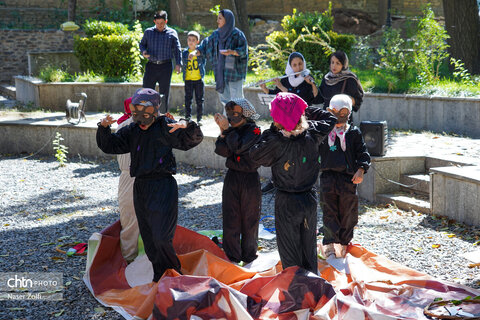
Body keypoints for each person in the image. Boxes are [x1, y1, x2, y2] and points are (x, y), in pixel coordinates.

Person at [96, 88, 203, 282]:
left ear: (155, 111)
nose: (141, 121)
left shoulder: (166, 126)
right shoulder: (132, 130)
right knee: (149, 238)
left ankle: (174, 276)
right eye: (136, 114)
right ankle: (159, 277)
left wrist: (188, 126)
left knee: (162, 236)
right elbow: (111, 145)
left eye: (145, 114)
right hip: (141, 187)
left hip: (163, 186)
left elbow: (191, 140)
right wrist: (103, 128)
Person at [249, 92, 337, 274]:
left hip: (287, 201)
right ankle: (313, 288)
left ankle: (295, 290)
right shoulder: (312, 132)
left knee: (290, 252)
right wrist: (301, 108)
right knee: (308, 248)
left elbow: (255, 154)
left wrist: (274, 130)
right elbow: (330, 118)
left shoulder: (274, 140)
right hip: (308, 199)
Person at [259, 52, 320, 193]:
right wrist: (266, 89)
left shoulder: (307, 78)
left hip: (301, 122)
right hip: (285, 122)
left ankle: (302, 181)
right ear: (290, 66)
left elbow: (304, 99)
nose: (298, 67)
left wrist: (312, 85)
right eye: (294, 65)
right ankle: (275, 180)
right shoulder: (286, 79)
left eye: (300, 64)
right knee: (279, 150)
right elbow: (279, 97)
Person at [319, 94, 370, 259]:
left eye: (344, 113)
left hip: (348, 179)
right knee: (329, 211)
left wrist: (361, 169)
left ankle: (343, 242)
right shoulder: (323, 132)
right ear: (329, 112)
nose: (340, 118)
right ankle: (329, 242)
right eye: (335, 113)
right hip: (327, 177)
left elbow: (363, 153)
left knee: (348, 213)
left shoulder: (353, 133)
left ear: (348, 114)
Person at [214, 98, 262, 265]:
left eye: (235, 114)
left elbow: (239, 147)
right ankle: (232, 256)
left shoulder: (254, 130)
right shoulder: (229, 131)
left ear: (245, 114)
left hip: (249, 178)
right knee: (230, 216)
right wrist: (224, 131)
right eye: (229, 114)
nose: (231, 117)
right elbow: (221, 150)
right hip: (232, 176)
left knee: (250, 218)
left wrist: (227, 132)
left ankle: (249, 256)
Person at [189, 9, 248, 105]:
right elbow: (204, 46)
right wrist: (194, 52)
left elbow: (243, 51)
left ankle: (240, 119)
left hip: (234, 74)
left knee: (238, 101)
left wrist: (232, 52)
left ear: (227, 20)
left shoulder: (237, 34)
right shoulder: (216, 34)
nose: (217, 21)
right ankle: (227, 119)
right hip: (221, 74)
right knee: (226, 102)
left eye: (220, 18)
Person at [139, 10, 182, 113]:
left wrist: (178, 64)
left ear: (166, 21)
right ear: (154, 21)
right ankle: (147, 114)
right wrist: (144, 51)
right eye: (157, 23)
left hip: (165, 66)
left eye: (162, 23)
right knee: (147, 92)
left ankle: (162, 116)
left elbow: (177, 49)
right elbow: (142, 44)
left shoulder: (172, 33)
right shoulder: (148, 32)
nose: (159, 25)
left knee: (164, 94)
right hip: (151, 66)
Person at [116, 97, 139, 263]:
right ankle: (130, 259)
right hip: (131, 177)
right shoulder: (126, 126)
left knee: (133, 219)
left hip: (136, 177)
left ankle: (137, 259)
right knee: (130, 221)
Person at [317, 50, 364, 124]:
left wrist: (346, 100)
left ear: (343, 65)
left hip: (342, 120)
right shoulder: (327, 79)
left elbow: (358, 99)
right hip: (327, 118)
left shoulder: (349, 79)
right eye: (332, 62)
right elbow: (319, 98)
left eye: (337, 63)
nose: (334, 66)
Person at [182, 31, 205, 125]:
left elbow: (204, 54)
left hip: (198, 79)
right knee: (188, 99)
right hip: (188, 79)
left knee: (200, 100)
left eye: (193, 40)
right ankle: (187, 116)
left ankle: (200, 118)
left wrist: (196, 53)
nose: (191, 42)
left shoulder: (200, 52)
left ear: (197, 42)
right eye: (189, 40)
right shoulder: (185, 52)